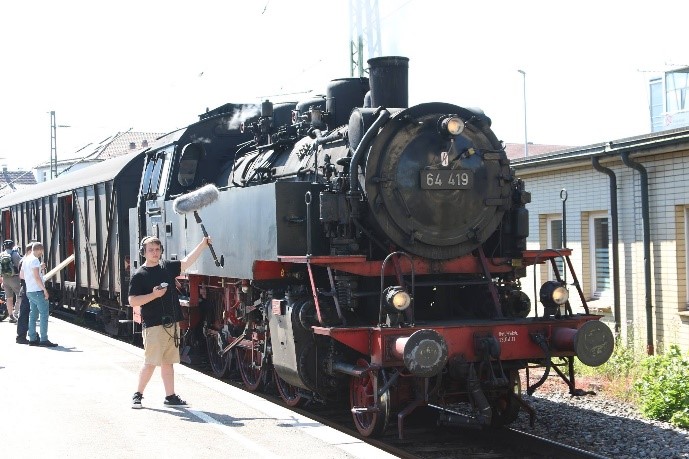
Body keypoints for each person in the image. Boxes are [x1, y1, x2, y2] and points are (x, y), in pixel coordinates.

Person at [129, 235, 211, 409]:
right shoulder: (139, 275)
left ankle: (170, 396)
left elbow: (187, 262)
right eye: (151, 250)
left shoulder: (167, 267)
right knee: (151, 362)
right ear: (143, 252)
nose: (155, 253)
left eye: (157, 249)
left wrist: (202, 245)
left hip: (171, 324)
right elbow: (133, 301)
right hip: (153, 325)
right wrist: (153, 295)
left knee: (168, 362)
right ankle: (138, 395)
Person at [23, 242, 57, 347]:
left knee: (33, 315)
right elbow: (37, 277)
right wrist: (44, 290)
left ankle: (32, 338)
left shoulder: (26, 259)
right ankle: (43, 339)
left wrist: (40, 269)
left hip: (30, 291)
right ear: (39, 250)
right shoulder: (34, 260)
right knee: (44, 315)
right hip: (37, 291)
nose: (42, 253)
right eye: (42, 251)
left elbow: (26, 275)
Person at [15, 242, 34, 344]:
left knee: (27, 313)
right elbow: (24, 276)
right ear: (30, 250)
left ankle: (25, 335)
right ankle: (21, 336)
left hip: (26, 288)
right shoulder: (26, 261)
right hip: (27, 288)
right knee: (25, 313)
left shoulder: (23, 260)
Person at [0, 240, 22, 323]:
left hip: (5, 279)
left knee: (9, 298)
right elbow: (20, 265)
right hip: (14, 278)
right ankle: (16, 313)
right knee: (20, 296)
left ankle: (11, 315)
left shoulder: (1, 254)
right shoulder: (15, 254)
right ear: (12, 246)